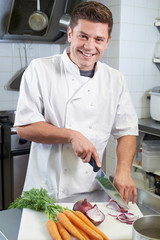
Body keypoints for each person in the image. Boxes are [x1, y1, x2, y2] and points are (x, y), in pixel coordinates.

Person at [14, 1, 138, 204]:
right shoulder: (40, 70)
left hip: (89, 191)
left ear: (107, 41)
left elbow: (127, 131)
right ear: (70, 34)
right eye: (83, 36)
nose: (90, 47)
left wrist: (123, 170)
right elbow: (24, 128)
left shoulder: (115, 79)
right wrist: (71, 135)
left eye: (99, 39)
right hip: (45, 192)